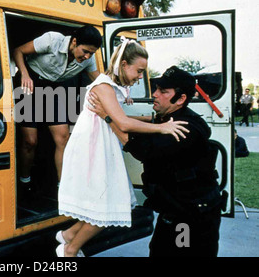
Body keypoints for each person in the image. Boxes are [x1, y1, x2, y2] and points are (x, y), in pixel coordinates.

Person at [55, 39, 189, 257]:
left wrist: (148, 119)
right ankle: (69, 249)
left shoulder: (110, 85)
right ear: (124, 64)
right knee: (108, 206)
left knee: (105, 201)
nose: (139, 77)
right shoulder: (104, 85)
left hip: (100, 146)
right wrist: (162, 127)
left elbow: (116, 116)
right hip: (92, 149)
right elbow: (123, 123)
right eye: (138, 71)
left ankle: (69, 236)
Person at [90, 65, 223, 257]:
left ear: (181, 99)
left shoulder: (183, 129)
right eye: (156, 89)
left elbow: (139, 149)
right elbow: (149, 123)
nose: (155, 94)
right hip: (176, 211)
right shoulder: (169, 118)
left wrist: (107, 116)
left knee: (180, 254)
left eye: (163, 91)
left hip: (190, 216)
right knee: (160, 251)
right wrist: (119, 116)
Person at [13, 25, 101, 190]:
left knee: (63, 137)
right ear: (74, 42)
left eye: (92, 53)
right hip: (30, 84)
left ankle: (64, 187)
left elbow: (99, 80)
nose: (87, 56)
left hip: (51, 89)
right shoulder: (52, 40)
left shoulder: (88, 59)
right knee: (30, 141)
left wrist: (121, 92)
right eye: (85, 51)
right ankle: (24, 182)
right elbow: (18, 51)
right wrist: (24, 74)